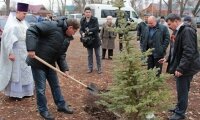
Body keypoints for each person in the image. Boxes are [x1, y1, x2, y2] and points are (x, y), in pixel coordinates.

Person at [26, 18, 79, 120]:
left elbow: (61, 55)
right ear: (70, 27)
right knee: (41, 89)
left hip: (50, 63)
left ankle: (61, 105)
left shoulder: (67, 38)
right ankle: (43, 110)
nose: (74, 34)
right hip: (38, 62)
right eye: (75, 31)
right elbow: (32, 30)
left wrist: (65, 69)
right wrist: (31, 48)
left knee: (56, 85)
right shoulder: (52, 26)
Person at [159, 13, 200, 120]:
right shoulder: (178, 31)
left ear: (176, 21)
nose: (168, 26)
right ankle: (179, 107)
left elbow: (189, 51)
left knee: (182, 90)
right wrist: (167, 58)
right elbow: (175, 48)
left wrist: (181, 68)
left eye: (169, 24)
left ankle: (180, 113)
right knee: (182, 89)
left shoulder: (186, 31)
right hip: (183, 65)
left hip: (187, 67)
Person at [0, 2, 34, 98]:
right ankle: (16, 93)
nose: (25, 16)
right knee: (17, 72)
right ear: (18, 12)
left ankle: (26, 91)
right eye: (24, 13)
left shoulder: (24, 23)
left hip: (25, 51)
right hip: (16, 51)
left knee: (26, 70)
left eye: (25, 14)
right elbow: (7, 40)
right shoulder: (11, 25)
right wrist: (10, 53)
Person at [80, 7, 102, 74]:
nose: (88, 13)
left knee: (98, 55)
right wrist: (82, 33)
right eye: (86, 12)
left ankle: (99, 68)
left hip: (95, 40)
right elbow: (81, 29)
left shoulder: (95, 19)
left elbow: (96, 28)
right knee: (89, 55)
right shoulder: (82, 20)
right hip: (88, 41)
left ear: (91, 13)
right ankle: (90, 68)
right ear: (84, 13)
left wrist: (88, 30)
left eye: (89, 12)